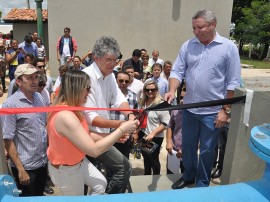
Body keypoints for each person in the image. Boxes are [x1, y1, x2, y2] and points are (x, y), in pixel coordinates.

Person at [165, 9, 241, 188]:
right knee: (188, 147)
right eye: (193, 28)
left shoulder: (228, 48)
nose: (196, 32)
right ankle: (189, 175)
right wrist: (171, 89)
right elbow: (177, 71)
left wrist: (225, 110)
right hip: (190, 109)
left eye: (200, 28)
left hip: (213, 112)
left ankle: (202, 183)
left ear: (213, 25)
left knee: (207, 150)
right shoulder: (188, 45)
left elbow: (233, 81)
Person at [47, 70, 138, 196]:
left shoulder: (72, 109)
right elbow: (93, 151)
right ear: (77, 88)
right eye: (87, 88)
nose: (89, 93)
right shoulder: (66, 116)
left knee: (100, 185)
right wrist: (121, 130)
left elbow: (85, 134)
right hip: (67, 169)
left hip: (78, 162)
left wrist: (112, 137)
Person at [83, 36, 136, 194]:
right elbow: (91, 117)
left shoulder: (111, 75)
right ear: (95, 58)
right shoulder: (86, 78)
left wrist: (130, 117)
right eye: (109, 59)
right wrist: (120, 126)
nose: (113, 64)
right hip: (87, 136)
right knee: (123, 167)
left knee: (108, 174)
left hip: (102, 135)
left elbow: (119, 100)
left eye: (116, 59)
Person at [2, 64, 48, 196]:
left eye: (36, 77)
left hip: (42, 163)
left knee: (38, 197)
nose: (35, 81)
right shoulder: (10, 105)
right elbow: (8, 139)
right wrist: (21, 170)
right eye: (30, 78)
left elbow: (44, 126)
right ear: (18, 81)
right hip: (26, 167)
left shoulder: (39, 98)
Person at [138, 80, 170, 175]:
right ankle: (146, 175)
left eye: (153, 89)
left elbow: (166, 122)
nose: (150, 92)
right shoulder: (143, 102)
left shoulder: (161, 104)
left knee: (154, 159)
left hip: (155, 137)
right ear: (144, 91)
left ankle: (155, 180)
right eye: (147, 90)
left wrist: (153, 133)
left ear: (157, 90)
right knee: (145, 157)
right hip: (143, 134)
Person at [110, 71, 138, 158]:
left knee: (124, 160)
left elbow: (136, 115)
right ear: (116, 80)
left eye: (126, 81)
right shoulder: (108, 95)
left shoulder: (134, 96)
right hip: (110, 135)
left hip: (126, 136)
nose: (123, 83)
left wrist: (135, 132)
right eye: (121, 81)